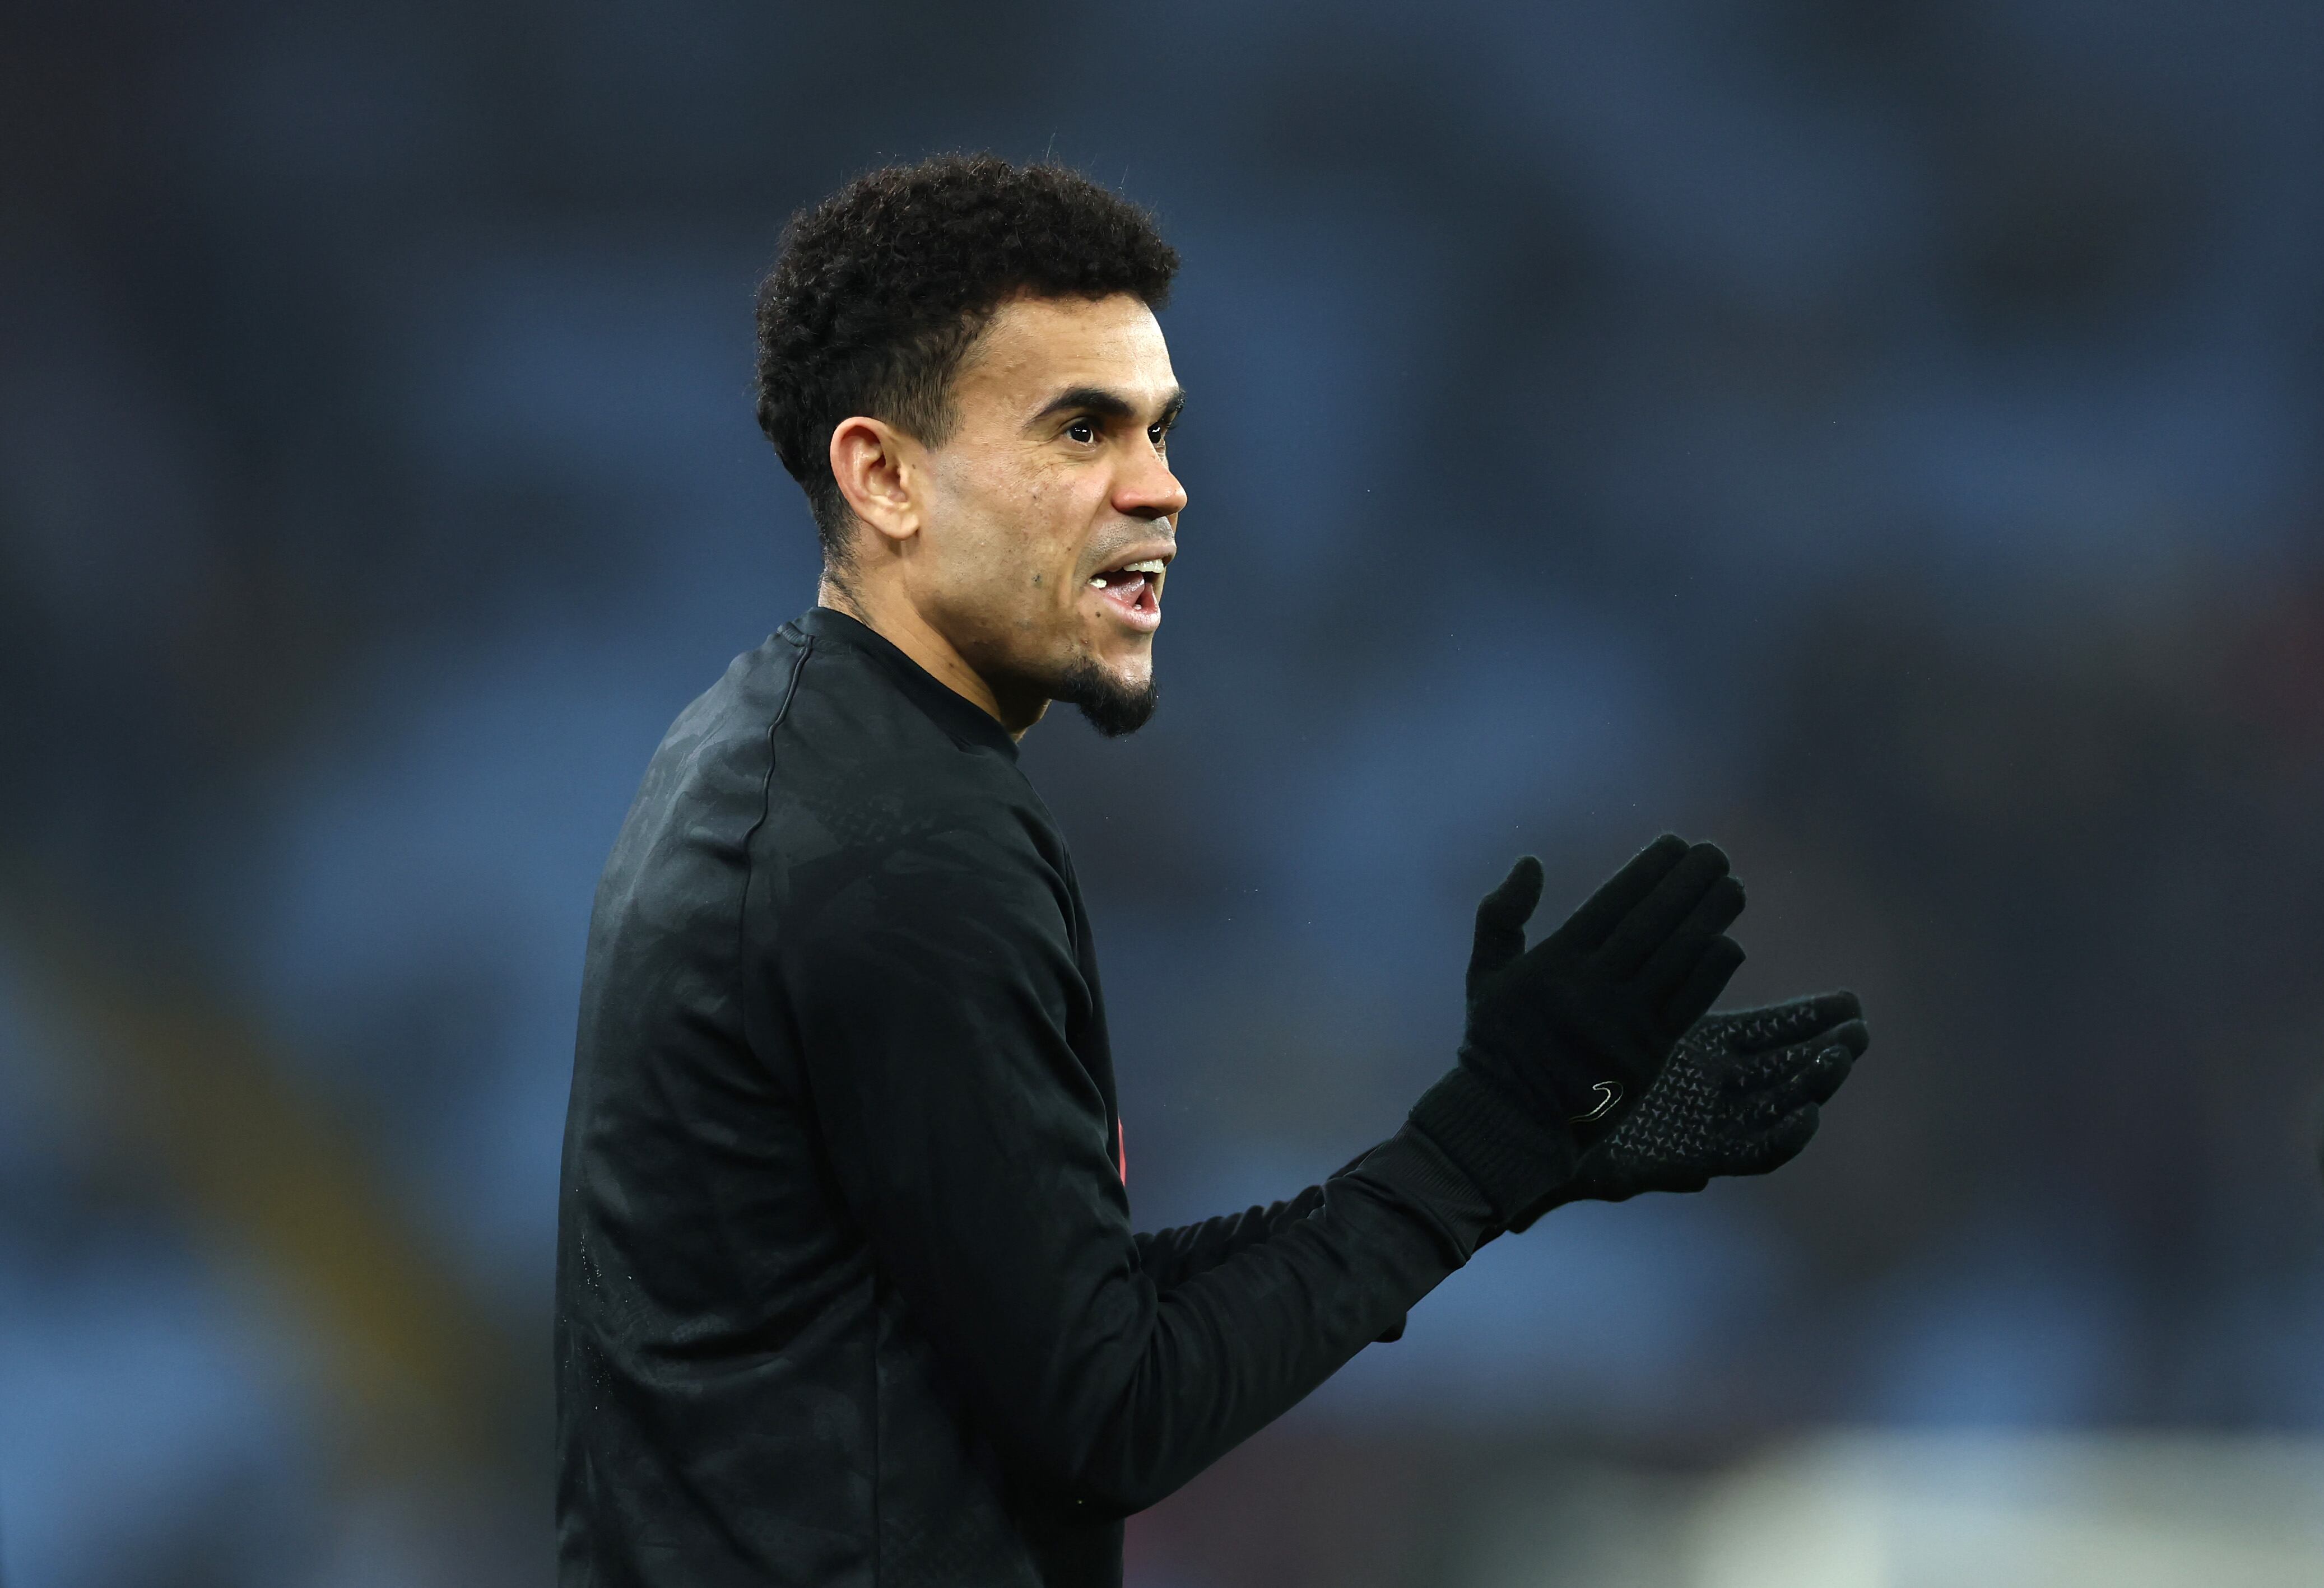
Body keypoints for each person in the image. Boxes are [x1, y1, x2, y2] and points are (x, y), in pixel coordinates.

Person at [554, 154, 1869, 1587]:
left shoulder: (788, 754)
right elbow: (1111, 1411)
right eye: (1080, 429)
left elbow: (1056, 1316)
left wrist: (1506, 1152)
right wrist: (1472, 1150)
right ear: (883, 475)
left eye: (1160, 431)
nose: (1160, 489)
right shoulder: (894, 850)